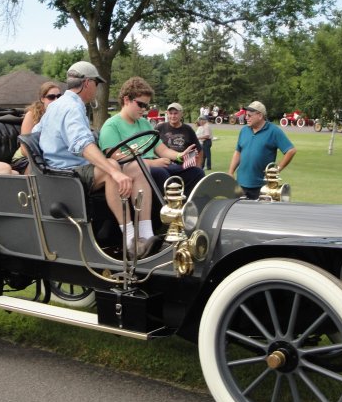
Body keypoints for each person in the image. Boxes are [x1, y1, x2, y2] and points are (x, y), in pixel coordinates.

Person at [35, 61, 156, 256]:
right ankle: (130, 239)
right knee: (112, 167)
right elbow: (82, 145)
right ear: (87, 83)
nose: (97, 89)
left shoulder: (57, 105)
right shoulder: (72, 108)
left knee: (136, 167)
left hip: (63, 171)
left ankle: (147, 234)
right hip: (66, 175)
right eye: (97, 84)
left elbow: (34, 134)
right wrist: (114, 172)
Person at [99, 78, 204, 197]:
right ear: (126, 99)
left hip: (154, 167)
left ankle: (186, 208)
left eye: (146, 105)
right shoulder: (111, 126)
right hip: (132, 171)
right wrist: (152, 163)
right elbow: (117, 159)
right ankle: (167, 212)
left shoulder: (145, 123)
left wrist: (180, 155)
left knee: (196, 173)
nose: (144, 109)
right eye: (141, 104)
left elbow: (162, 150)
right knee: (161, 174)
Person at [228, 101, 296, 200]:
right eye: (246, 115)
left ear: (260, 115)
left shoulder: (273, 131)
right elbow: (238, 152)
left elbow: (291, 150)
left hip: (262, 187)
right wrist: (230, 172)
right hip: (240, 184)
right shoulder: (244, 130)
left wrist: (277, 169)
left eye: (249, 115)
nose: (246, 118)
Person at [12, 81, 63, 173]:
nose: (56, 100)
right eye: (51, 97)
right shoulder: (31, 115)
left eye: (59, 96)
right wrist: (42, 160)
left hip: (49, 157)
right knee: (39, 168)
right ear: (42, 99)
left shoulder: (62, 115)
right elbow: (24, 148)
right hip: (25, 158)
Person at [157, 102, 204, 169]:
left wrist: (199, 167)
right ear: (167, 114)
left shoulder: (188, 129)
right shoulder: (160, 128)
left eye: (176, 113)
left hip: (183, 167)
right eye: (170, 113)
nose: (173, 116)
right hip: (164, 167)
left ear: (181, 114)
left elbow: (199, 150)